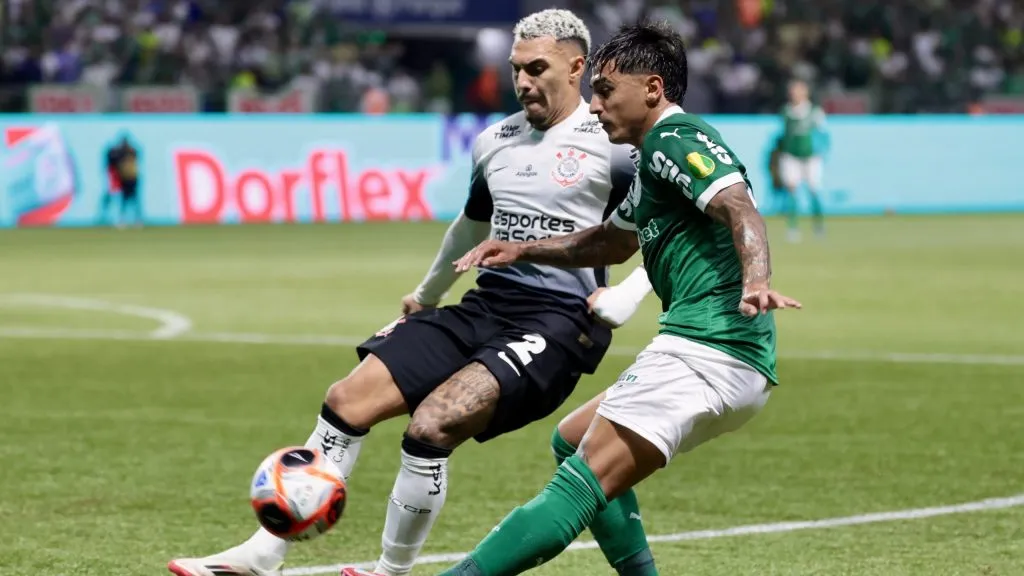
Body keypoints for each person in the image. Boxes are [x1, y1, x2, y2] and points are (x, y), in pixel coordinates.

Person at [168, 9, 659, 576]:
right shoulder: (494, 140)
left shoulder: (616, 144)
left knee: (431, 426)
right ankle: (261, 554)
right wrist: (427, 295)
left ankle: (390, 572)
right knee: (346, 398)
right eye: (516, 68)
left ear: (577, 67)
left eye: (536, 68)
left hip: (559, 322)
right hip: (487, 303)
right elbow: (470, 227)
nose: (522, 81)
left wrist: (628, 291)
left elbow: (668, 223)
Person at [440, 21, 802, 575]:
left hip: (706, 349)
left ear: (652, 89)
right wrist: (522, 248)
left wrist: (756, 279)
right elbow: (611, 241)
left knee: (575, 487)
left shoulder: (672, 139)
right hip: (730, 358)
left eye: (605, 90)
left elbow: (739, 207)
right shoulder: (652, 160)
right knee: (572, 438)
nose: (593, 105)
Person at [778, 79, 827, 241]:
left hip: (811, 157)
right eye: (792, 91)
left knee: (814, 190)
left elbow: (823, 134)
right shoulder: (786, 111)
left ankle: (818, 225)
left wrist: (820, 150)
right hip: (791, 156)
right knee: (792, 189)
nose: (794, 94)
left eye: (798, 91)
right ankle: (793, 227)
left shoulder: (815, 112)